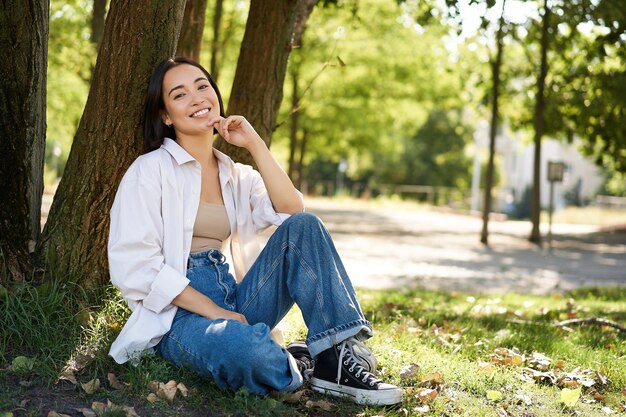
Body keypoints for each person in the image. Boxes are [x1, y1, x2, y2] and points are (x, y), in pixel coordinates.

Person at [107, 57, 403, 406]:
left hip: (235, 294)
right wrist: (218, 314)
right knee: (247, 352)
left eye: (203, 86)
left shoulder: (236, 174)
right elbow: (136, 268)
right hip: (178, 317)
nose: (198, 97)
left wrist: (255, 145)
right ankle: (298, 363)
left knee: (305, 226)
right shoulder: (150, 171)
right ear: (166, 116)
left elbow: (292, 211)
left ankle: (335, 356)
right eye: (180, 94)